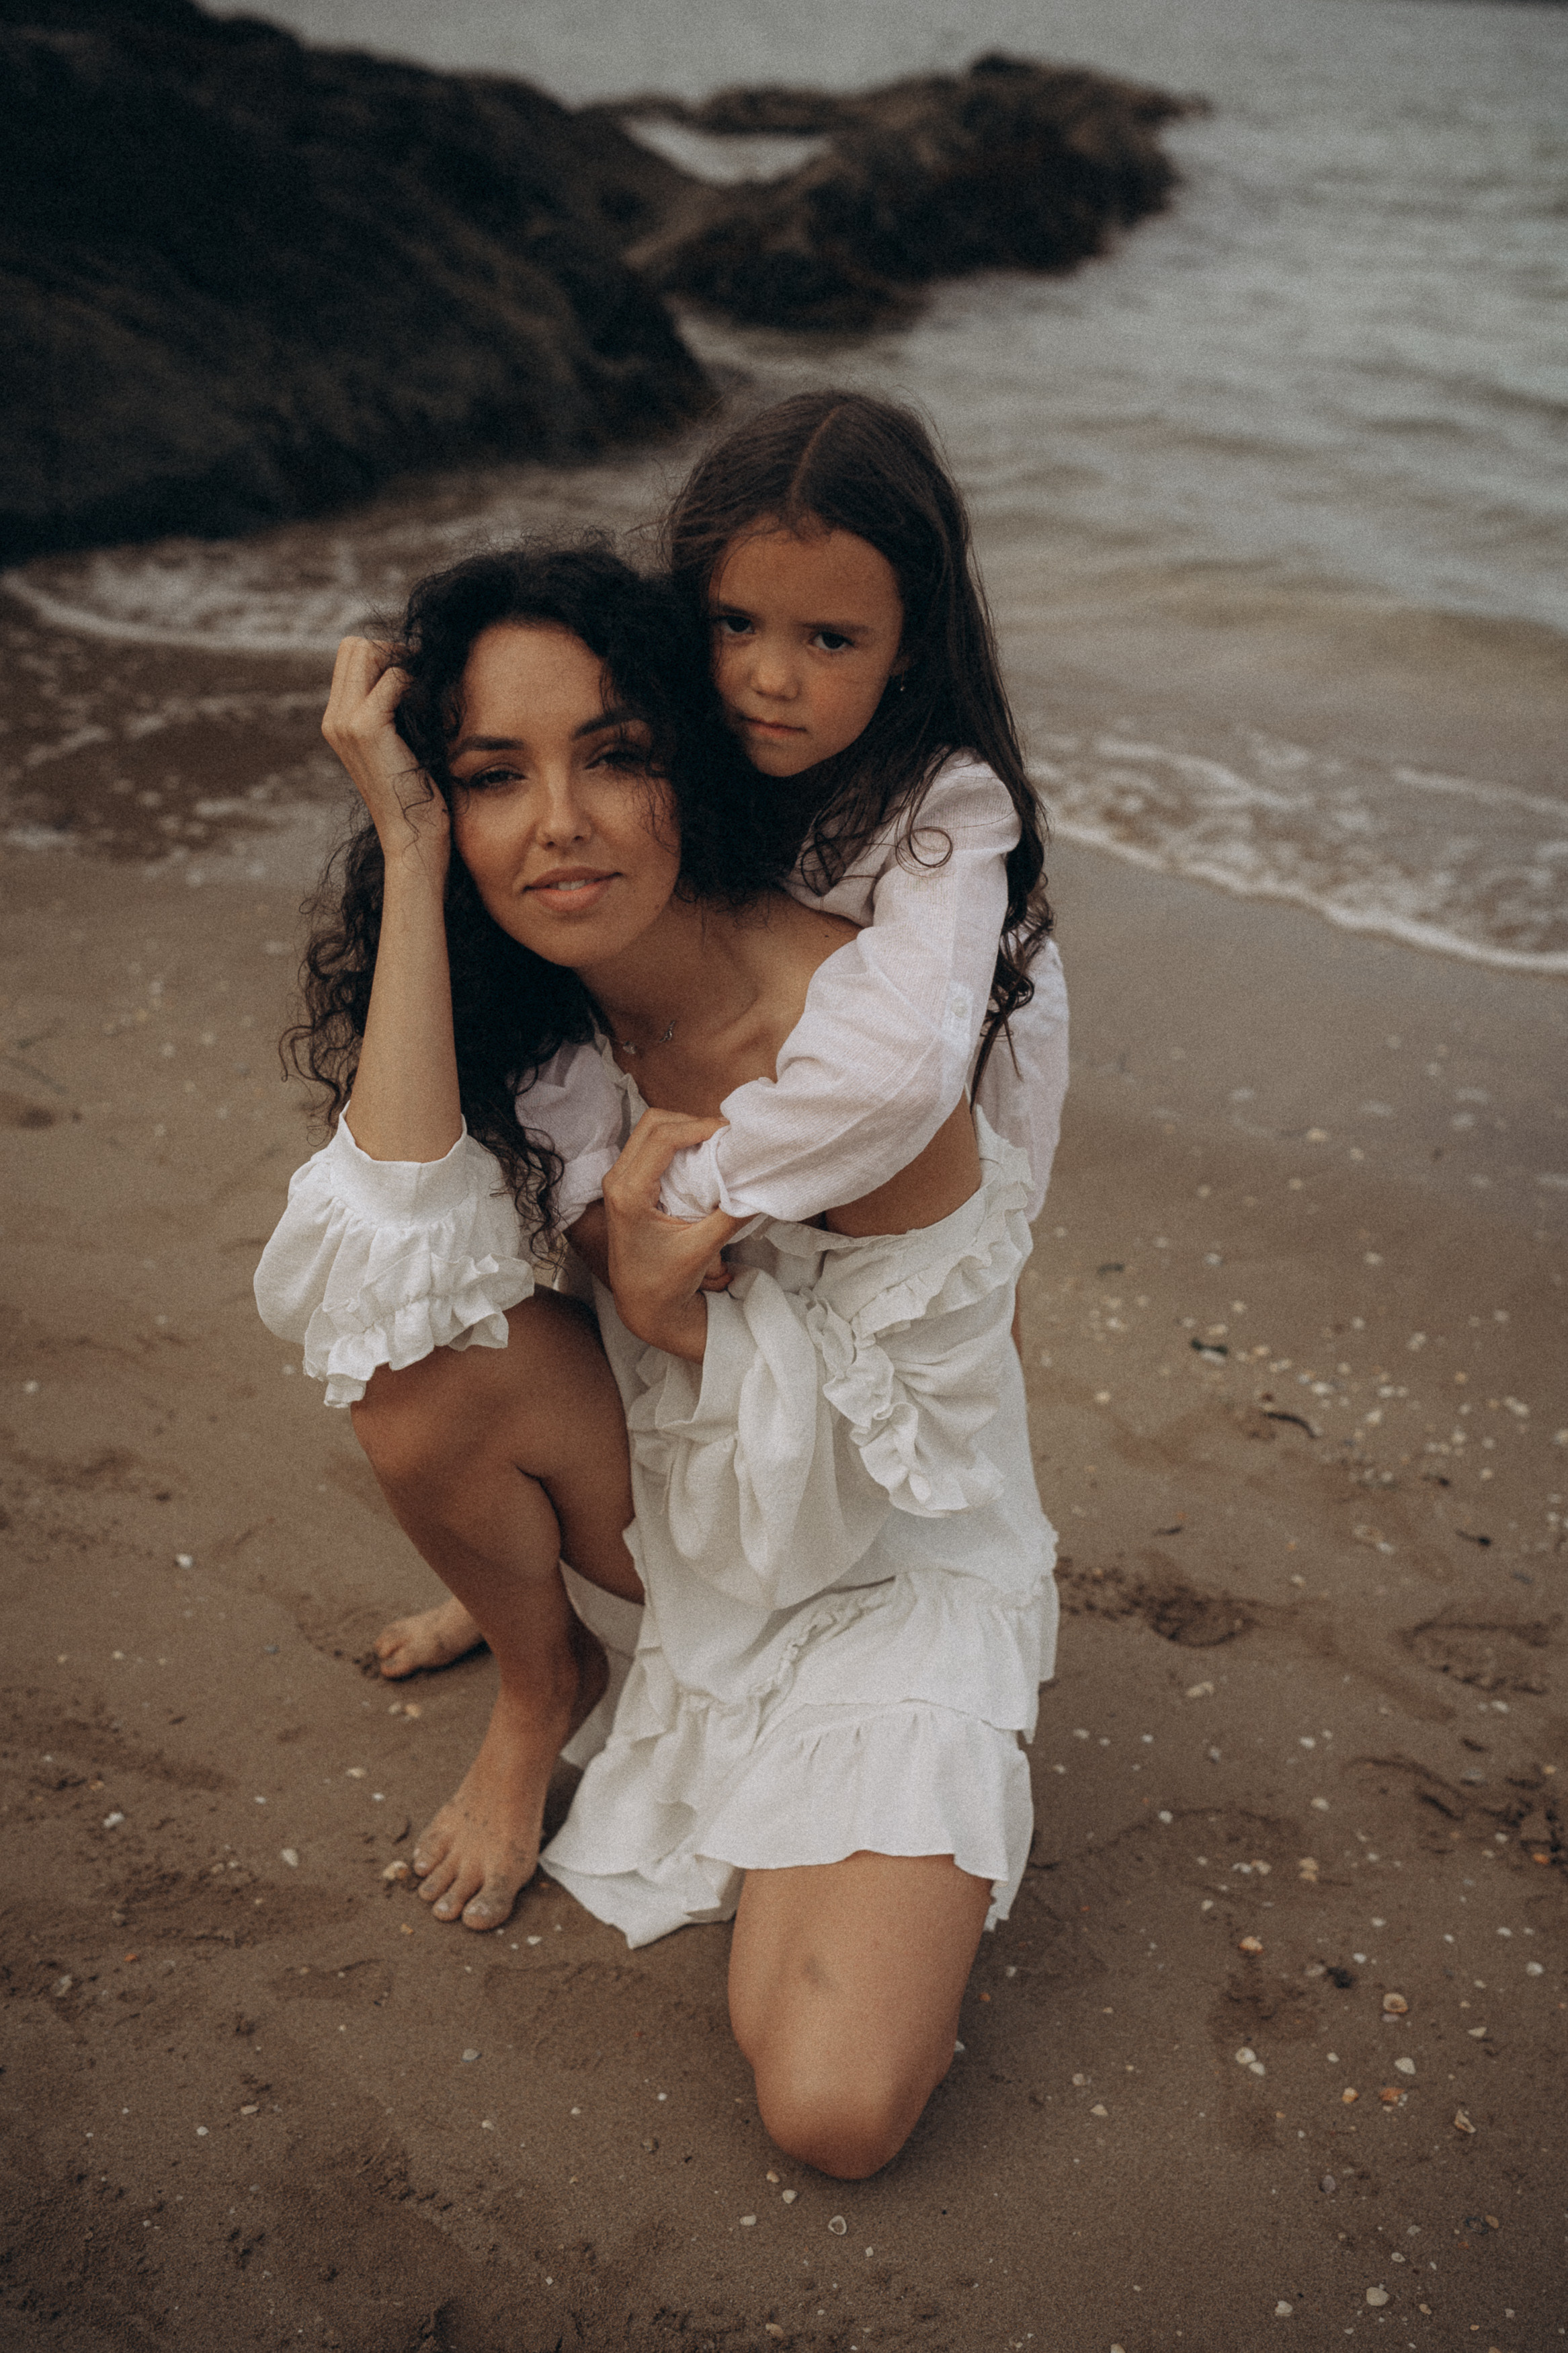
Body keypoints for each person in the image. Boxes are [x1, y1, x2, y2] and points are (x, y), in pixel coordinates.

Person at [255, 545, 1058, 2178]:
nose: (560, 822)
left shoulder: (849, 1039)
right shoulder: (542, 1033)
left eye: (614, 755)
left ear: (689, 761)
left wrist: (673, 1306)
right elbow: (382, 1257)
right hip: (690, 1496)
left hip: (876, 1556)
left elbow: (939, 1423)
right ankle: (543, 1676)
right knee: (413, 1368)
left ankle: (694, 1687)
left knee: (830, 2106)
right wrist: (410, 851)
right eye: (495, 777)